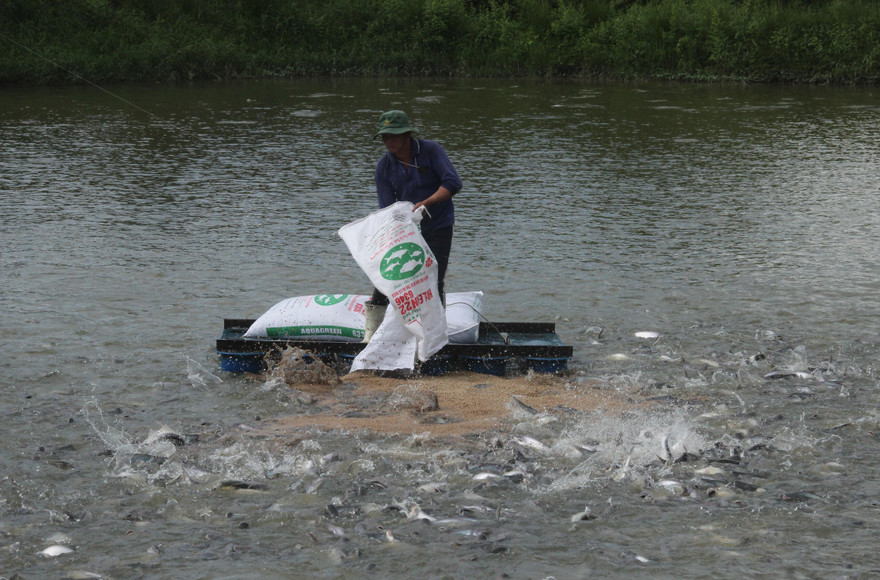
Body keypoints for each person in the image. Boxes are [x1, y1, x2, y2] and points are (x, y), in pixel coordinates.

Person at [363, 110, 463, 342]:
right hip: (405, 229)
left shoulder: (431, 151)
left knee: (433, 279)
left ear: (407, 135)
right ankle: (371, 336)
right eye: (384, 137)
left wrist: (426, 202)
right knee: (386, 279)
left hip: (438, 225)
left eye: (393, 136)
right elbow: (387, 209)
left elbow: (453, 183)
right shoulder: (384, 167)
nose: (388, 142)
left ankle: (435, 337)